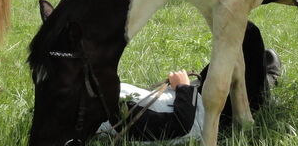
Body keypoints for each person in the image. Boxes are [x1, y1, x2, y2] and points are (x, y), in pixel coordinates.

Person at [97, 22, 282, 143]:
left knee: (241, 50)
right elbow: (179, 124)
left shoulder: (97, 104)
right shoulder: (107, 114)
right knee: (248, 34)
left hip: (194, 97)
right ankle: (266, 84)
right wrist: (183, 87)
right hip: (208, 111)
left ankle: (263, 75)